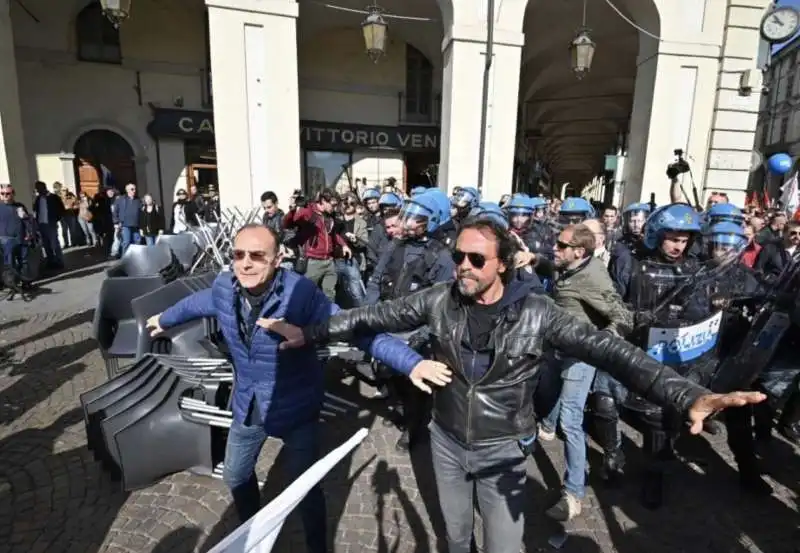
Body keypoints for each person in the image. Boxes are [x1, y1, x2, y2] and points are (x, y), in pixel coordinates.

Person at [261, 219, 766, 553]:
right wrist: (309, 332)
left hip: (503, 448)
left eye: (477, 259)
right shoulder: (439, 300)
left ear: (502, 263)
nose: (464, 266)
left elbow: (615, 352)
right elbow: (371, 314)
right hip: (445, 442)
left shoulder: (537, 313)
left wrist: (687, 394)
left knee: (504, 546)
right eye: (459, 255)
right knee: (457, 538)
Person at [146, 224, 450, 553]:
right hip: (249, 404)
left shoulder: (301, 294)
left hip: (297, 406)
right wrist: (165, 319)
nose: (246, 263)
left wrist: (410, 362)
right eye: (238, 254)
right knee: (235, 474)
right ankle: (253, 528)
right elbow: (197, 303)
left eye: (257, 255)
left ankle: (317, 547)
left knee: (304, 488)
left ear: (278, 258)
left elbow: (358, 329)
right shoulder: (225, 287)